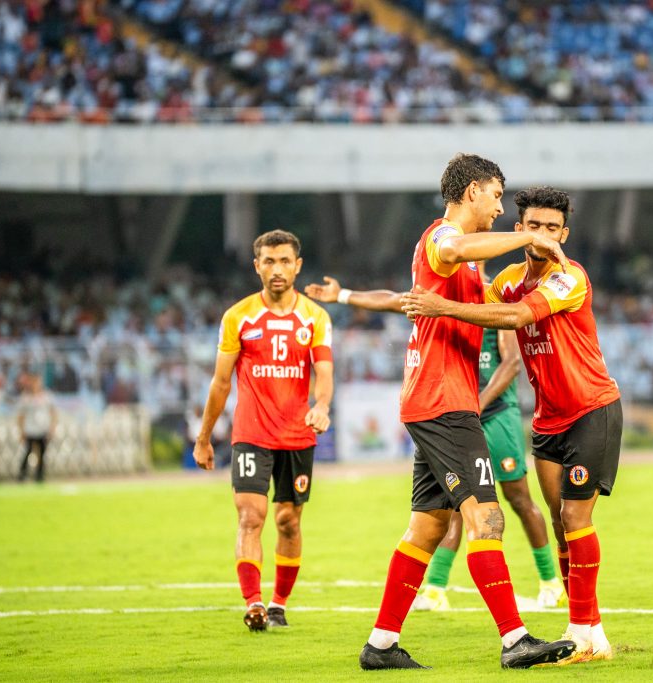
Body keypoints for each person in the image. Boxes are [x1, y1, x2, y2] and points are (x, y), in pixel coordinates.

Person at [350, 154, 575, 670]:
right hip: (444, 401)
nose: (501, 206)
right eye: (497, 195)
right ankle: (515, 639)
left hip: (437, 399)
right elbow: (454, 246)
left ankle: (380, 645)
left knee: (428, 526)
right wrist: (530, 238)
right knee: (487, 517)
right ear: (473, 190)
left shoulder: (470, 258)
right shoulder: (442, 238)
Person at [402, 185, 622, 664]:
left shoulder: (571, 277)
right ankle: (591, 628)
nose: (543, 234)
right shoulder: (507, 278)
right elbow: (475, 301)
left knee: (575, 519)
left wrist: (442, 307)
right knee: (562, 525)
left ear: (565, 233)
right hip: (546, 420)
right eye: (534, 226)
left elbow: (516, 316)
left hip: (591, 409)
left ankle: (584, 632)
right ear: (519, 230)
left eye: (552, 227)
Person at [305, 266, 566, 612]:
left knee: (518, 498)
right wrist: (342, 295)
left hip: (495, 413)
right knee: (454, 504)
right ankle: (436, 589)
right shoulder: (436, 297)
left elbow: (512, 364)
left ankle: (550, 583)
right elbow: (394, 300)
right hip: (454, 415)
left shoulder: (492, 297)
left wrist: (480, 402)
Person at [193, 229, 334, 633]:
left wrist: (321, 406)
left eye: (285, 261)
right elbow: (221, 383)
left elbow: (324, 372)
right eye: (269, 261)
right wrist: (204, 438)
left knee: (288, 521)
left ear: (298, 266)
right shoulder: (237, 317)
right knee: (250, 516)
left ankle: (278, 604)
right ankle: (253, 603)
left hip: (297, 435)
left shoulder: (315, 318)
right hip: (251, 433)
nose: (277, 269)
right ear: (257, 266)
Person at [17, 372, 57, 483]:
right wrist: (21, 430)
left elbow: (53, 412)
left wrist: (52, 427)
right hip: (30, 429)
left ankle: (39, 476)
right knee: (28, 452)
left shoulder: (46, 396)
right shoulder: (26, 397)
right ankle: (22, 475)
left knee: (42, 454)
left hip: (42, 429)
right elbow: (21, 416)